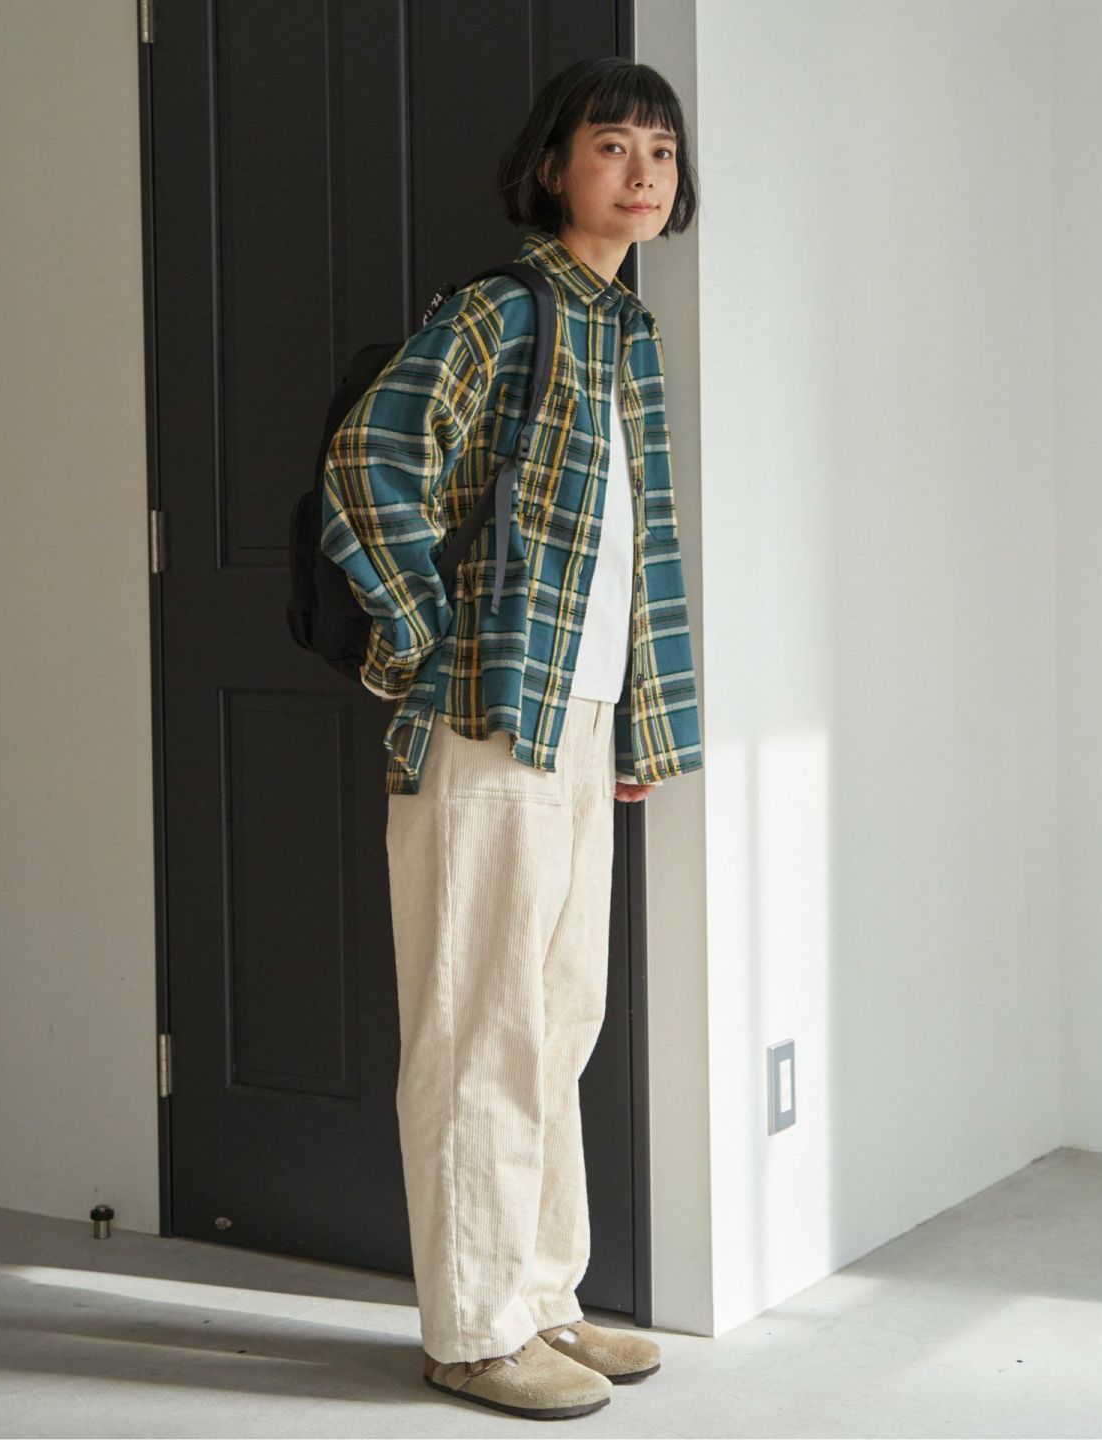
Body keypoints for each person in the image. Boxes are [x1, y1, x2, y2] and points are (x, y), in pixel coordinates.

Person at [321, 56, 702, 1421]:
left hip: (579, 723)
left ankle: (541, 1297)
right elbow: (370, 466)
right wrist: (433, 644)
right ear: (554, 167)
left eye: (662, 149)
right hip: (487, 719)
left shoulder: (626, 336)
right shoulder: (503, 309)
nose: (642, 171)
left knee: (558, 1021)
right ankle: (472, 1331)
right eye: (612, 145)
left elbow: (633, 558)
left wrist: (637, 721)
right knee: (479, 1025)